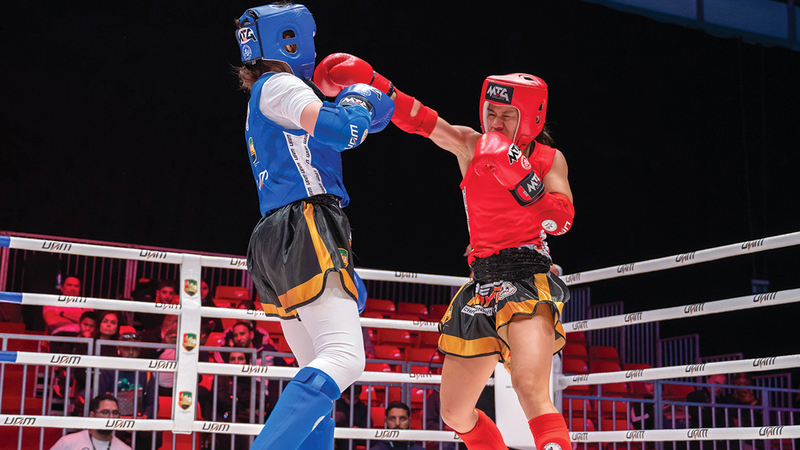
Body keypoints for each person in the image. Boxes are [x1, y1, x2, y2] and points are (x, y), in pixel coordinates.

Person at [315, 56, 573, 449]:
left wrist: (521, 178)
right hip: (482, 284)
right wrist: (375, 82)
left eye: (507, 115)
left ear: (531, 119)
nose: (497, 122)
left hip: (527, 278)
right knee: (454, 412)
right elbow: (423, 121)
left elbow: (561, 220)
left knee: (528, 386)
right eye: (491, 112)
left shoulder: (549, 160)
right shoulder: (470, 145)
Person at [232, 3, 393, 450]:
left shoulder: (266, 92)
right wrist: (358, 99)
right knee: (344, 358)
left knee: (319, 374)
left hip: (277, 233)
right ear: (290, 40)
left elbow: (354, 126)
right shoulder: (281, 84)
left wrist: (370, 104)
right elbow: (343, 132)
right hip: (305, 223)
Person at [49, 393, 132, 450]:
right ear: (92, 415)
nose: (111, 417)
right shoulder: (69, 443)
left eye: (115, 413)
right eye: (105, 412)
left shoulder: (124, 448)